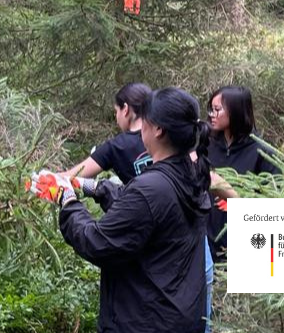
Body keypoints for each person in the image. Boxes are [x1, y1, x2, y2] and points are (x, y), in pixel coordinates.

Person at [35, 87, 212, 333]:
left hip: (145, 320)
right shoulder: (190, 175)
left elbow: (97, 242)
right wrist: (91, 187)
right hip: (179, 316)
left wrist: (68, 200)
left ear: (158, 129)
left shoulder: (152, 188)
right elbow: (145, 210)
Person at [205, 86, 278, 263]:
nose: (211, 115)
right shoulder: (206, 145)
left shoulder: (263, 154)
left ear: (236, 111)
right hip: (206, 246)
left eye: (217, 110)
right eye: (210, 109)